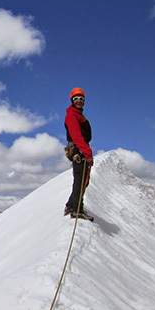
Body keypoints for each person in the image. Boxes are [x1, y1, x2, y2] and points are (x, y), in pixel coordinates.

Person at [64, 87, 93, 220]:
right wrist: (87, 152)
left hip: (81, 149)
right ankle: (76, 210)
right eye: (76, 99)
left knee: (82, 180)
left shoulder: (78, 115)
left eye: (81, 99)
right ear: (72, 100)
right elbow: (76, 136)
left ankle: (71, 205)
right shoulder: (72, 115)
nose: (79, 101)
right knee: (80, 180)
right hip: (79, 151)